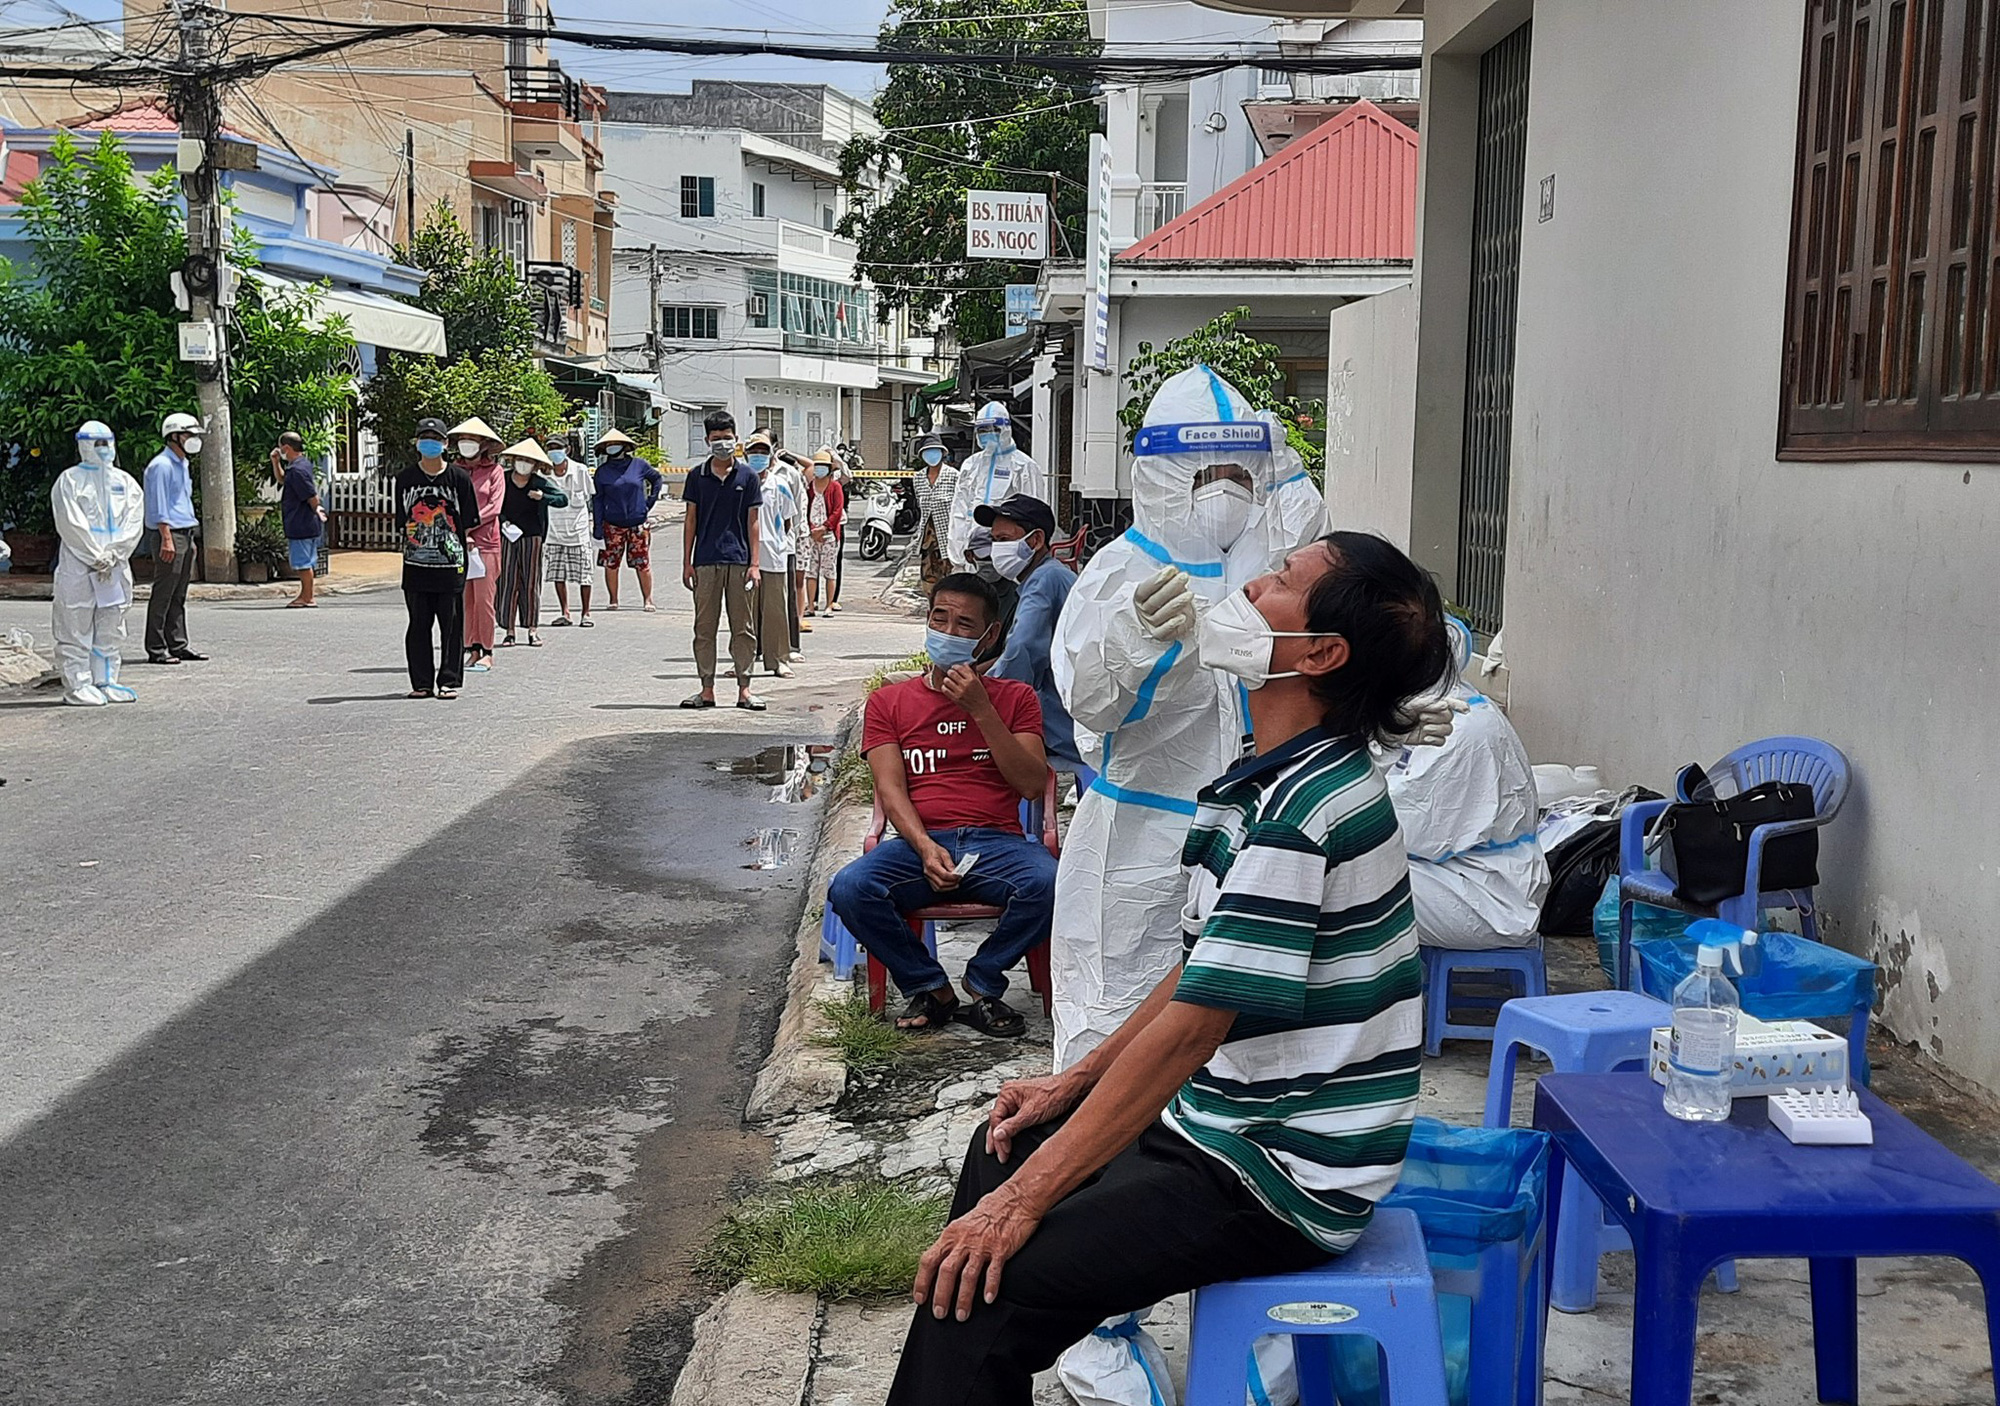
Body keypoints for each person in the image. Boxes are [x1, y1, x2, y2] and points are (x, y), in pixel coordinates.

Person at [885, 533, 1449, 1406]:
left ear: (1320, 654)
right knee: (1003, 1145)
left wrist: (1030, 1203)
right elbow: (1198, 975)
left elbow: (1195, 1028)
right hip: (1224, 1126)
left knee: (987, 1283)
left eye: (1281, 582)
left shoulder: (1304, 811)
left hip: (1282, 1173)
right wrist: (1071, 1082)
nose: (1251, 584)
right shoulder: (1263, 780)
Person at [1047, 365, 1283, 1071]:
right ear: (1160, 473)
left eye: (1240, 472)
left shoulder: (1275, 577)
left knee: (1236, 1037)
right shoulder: (1119, 574)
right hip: (1142, 841)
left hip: (1259, 839)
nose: (1225, 489)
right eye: (1206, 470)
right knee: (1115, 1023)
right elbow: (1088, 705)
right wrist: (1138, 642)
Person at [826, 573, 1055, 1039]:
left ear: (989, 636)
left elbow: (1032, 784)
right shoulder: (889, 702)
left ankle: (985, 979)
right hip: (918, 841)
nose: (948, 631)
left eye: (965, 624)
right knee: (850, 887)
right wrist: (926, 847)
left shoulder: (1015, 699)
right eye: (940, 618)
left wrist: (981, 710)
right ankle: (930, 985)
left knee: (1054, 882)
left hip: (995, 843)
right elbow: (890, 791)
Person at [1389, 616, 1550, 949]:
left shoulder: (1461, 728)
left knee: (1348, 881)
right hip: (1460, 874)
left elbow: (1415, 832)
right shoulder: (1432, 708)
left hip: (1489, 898)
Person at [976, 495, 1083, 773]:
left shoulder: (1043, 582)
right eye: (994, 541)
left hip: (1062, 723)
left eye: (1003, 540)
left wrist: (978, 690)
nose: (995, 550)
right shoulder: (1048, 575)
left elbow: (1021, 655)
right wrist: (975, 670)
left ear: (1035, 541)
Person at [50, 420, 144, 706]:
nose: (103, 449)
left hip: (115, 566)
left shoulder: (125, 482)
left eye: (107, 442)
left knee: (111, 622)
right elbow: (70, 523)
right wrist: (95, 556)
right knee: (75, 620)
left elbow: (133, 521)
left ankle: (106, 679)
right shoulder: (69, 480)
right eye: (96, 443)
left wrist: (115, 554)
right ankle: (77, 683)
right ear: (83, 445)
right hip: (79, 566)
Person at [678, 409, 764, 710]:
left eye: (727, 439)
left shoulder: (748, 477)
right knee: (705, 628)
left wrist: (755, 564)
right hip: (705, 562)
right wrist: (687, 562)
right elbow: (690, 520)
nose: (723, 444)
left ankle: (745, 690)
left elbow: (754, 521)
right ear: (707, 441)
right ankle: (707, 689)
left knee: (743, 628)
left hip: (740, 562)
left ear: (736, 439)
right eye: (717, 439)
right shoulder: (696, 477)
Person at [395, 417, 479, 700]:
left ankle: (449, 681)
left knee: (452, 626)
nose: (429, 442)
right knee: (418, 625)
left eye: (435, 438)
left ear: (445, 444)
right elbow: (402, 519)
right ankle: (421, 682)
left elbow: (468, 519)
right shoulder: (405, 479)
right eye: (423, 437)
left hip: (450, 565)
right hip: (415, 565)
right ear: (417, 443)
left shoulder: (459, 479)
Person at [947, 402, 1045, 570]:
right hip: (973, 552)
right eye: (983, 430)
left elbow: (1034, 513)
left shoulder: (1023, 466)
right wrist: (956, 553)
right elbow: (959, 509)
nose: (988, 435)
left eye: (993, 429)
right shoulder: (971, 465)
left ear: (1006, 429)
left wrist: (1027, 554)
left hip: (1008, 552)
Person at [142, 411, 205, 664]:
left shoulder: (182, 463)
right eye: (189, 434)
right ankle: (156, 648)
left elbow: (182, 502)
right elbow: (158, 505)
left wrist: (191, 540)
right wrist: (166, 538)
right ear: (175, 436)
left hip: (185, 532)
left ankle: (178, 644)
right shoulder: (161, 465)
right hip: (169, 534)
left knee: (179, 593)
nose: (193, 439)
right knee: (164, 592)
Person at [494, 437, 568, 649]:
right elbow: (495, 504)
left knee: (531, 582)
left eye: (528, 461)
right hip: (508, 535)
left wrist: (543, 497)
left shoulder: (539, 482)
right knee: (507, 581)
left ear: (535, 465)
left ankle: (532, 628)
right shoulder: (505, 479)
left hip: (533, 537)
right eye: (520, 459)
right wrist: (504, 523)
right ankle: (509, 630)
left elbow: (562, 500)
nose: (523, 464)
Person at [451, 417, 504, 672]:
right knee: (465, 599)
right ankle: (471, 648)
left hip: (486, 543)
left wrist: (469, 527)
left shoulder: (494, 472)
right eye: (463, 440)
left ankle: (487, 650)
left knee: (484, 599)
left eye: (472, 440)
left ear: (483, 444)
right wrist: (461, 531)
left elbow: (494, 507)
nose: (467, 445)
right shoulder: (453, 470)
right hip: (458, 542)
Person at [591, 427, 662, 612]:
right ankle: (613, 599)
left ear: (624, 446)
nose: (612, 447)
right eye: (609, 445)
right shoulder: (602, 472)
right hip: (612, 525)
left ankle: (648, 599)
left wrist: (649, 502)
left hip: (637, 523)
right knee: (611, 563)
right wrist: (597, 526)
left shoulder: (639, 465)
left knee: (642, 563)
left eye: (615, 444)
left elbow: (657, 479)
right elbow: (597, 500)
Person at [746, 430, 796, 678]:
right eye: (754, 452)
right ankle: (742, 659)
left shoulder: (780, 485)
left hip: (774, 554)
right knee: (744, 610)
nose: (758, 456)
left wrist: (776, 540)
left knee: (776, 609)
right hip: (744, 555)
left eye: (763, 452)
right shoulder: (740, 482)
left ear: (770, 456)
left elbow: (787, 520)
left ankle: (778, 659)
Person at [890, 431, 958, 591]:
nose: (932, 455)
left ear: (942, 453)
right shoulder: (919, 478)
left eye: (935, 451)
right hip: (927, 540)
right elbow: (920, 507)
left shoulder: (954, 476)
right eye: (928, 452)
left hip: (948, 537)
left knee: (948, 579)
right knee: (928, 580)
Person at [542, 432, 596, 627]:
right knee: (558, 574)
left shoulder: (580, 470)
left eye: (558, 448)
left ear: (567, 450)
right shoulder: (543, 473)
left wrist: (595, 526)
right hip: (554, 532)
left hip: (578, 532)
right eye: (550, 448)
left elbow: (591, 498)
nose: (554, 452)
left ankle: (586, 613)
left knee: (585, 574)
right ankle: (565, 612)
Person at [275, 431, 327, 609]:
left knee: (303, 563)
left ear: (286, 448)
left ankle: (307, 597)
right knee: (306, 561)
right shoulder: (299, 465)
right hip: (304, 522)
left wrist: (317, 508)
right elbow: (283, 480)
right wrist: (275, 462)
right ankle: (306, 595)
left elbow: (311, 495)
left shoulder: (297, 470)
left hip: (301, 522)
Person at [802, 448, 844, 620]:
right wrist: (812, 529)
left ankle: (828, 605)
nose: (819, 469)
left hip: (829, 535)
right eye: (817, 466)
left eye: (823, 466)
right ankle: (810, 605)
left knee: (829, 571)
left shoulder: (835, 487)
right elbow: (804, 508)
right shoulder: (809, 487)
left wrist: (825, 528)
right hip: (812, 535)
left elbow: (837, 510)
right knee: (811, 572)